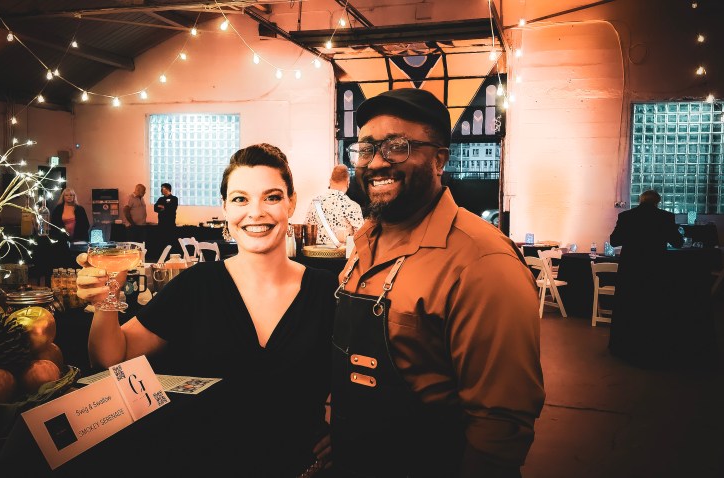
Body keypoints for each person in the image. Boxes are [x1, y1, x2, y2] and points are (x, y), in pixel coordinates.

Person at [76, 144, 335, 476]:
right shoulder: (198, 285)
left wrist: (346, 427)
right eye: (240, 199)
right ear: (225, 207)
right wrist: (106, 299)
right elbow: (112, 358)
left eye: (271, 197)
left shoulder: (327, 290)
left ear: (291, 202)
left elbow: (365, 382)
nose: (255, 212)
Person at [333, 88, 544, 477]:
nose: (376, 163)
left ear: (439, 160)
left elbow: (500, 426)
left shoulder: (483, 262)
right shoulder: (365, 239)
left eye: (396, 147)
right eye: (366, 150)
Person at [608, 189, 683, 365]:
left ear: (640, 200)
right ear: (657, 202)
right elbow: (677, 243)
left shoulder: (626, 216)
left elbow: (614, 241)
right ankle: (652, 345)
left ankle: (624, 344)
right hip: (655, 269)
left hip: (631, 269)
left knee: (629, 305)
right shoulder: (665, 217)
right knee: (652, 307)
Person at [304, 164, 364, 246]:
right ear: (348, 182)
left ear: (330, 181)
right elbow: (360, 238)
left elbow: (306, 230)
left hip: (316, 253)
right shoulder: (352, 206)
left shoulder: (314, 203)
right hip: (341, 253)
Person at [153, 182, 178, 249]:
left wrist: (163, 207)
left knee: (170, 242)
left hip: (170, 225)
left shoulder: (174, 198)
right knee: (161, 242)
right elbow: (155, 208)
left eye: (162, 189)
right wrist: (164, 207)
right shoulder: (160, 199)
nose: (161, 190)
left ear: (167, 189)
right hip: (161, 225)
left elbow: (172, 208)